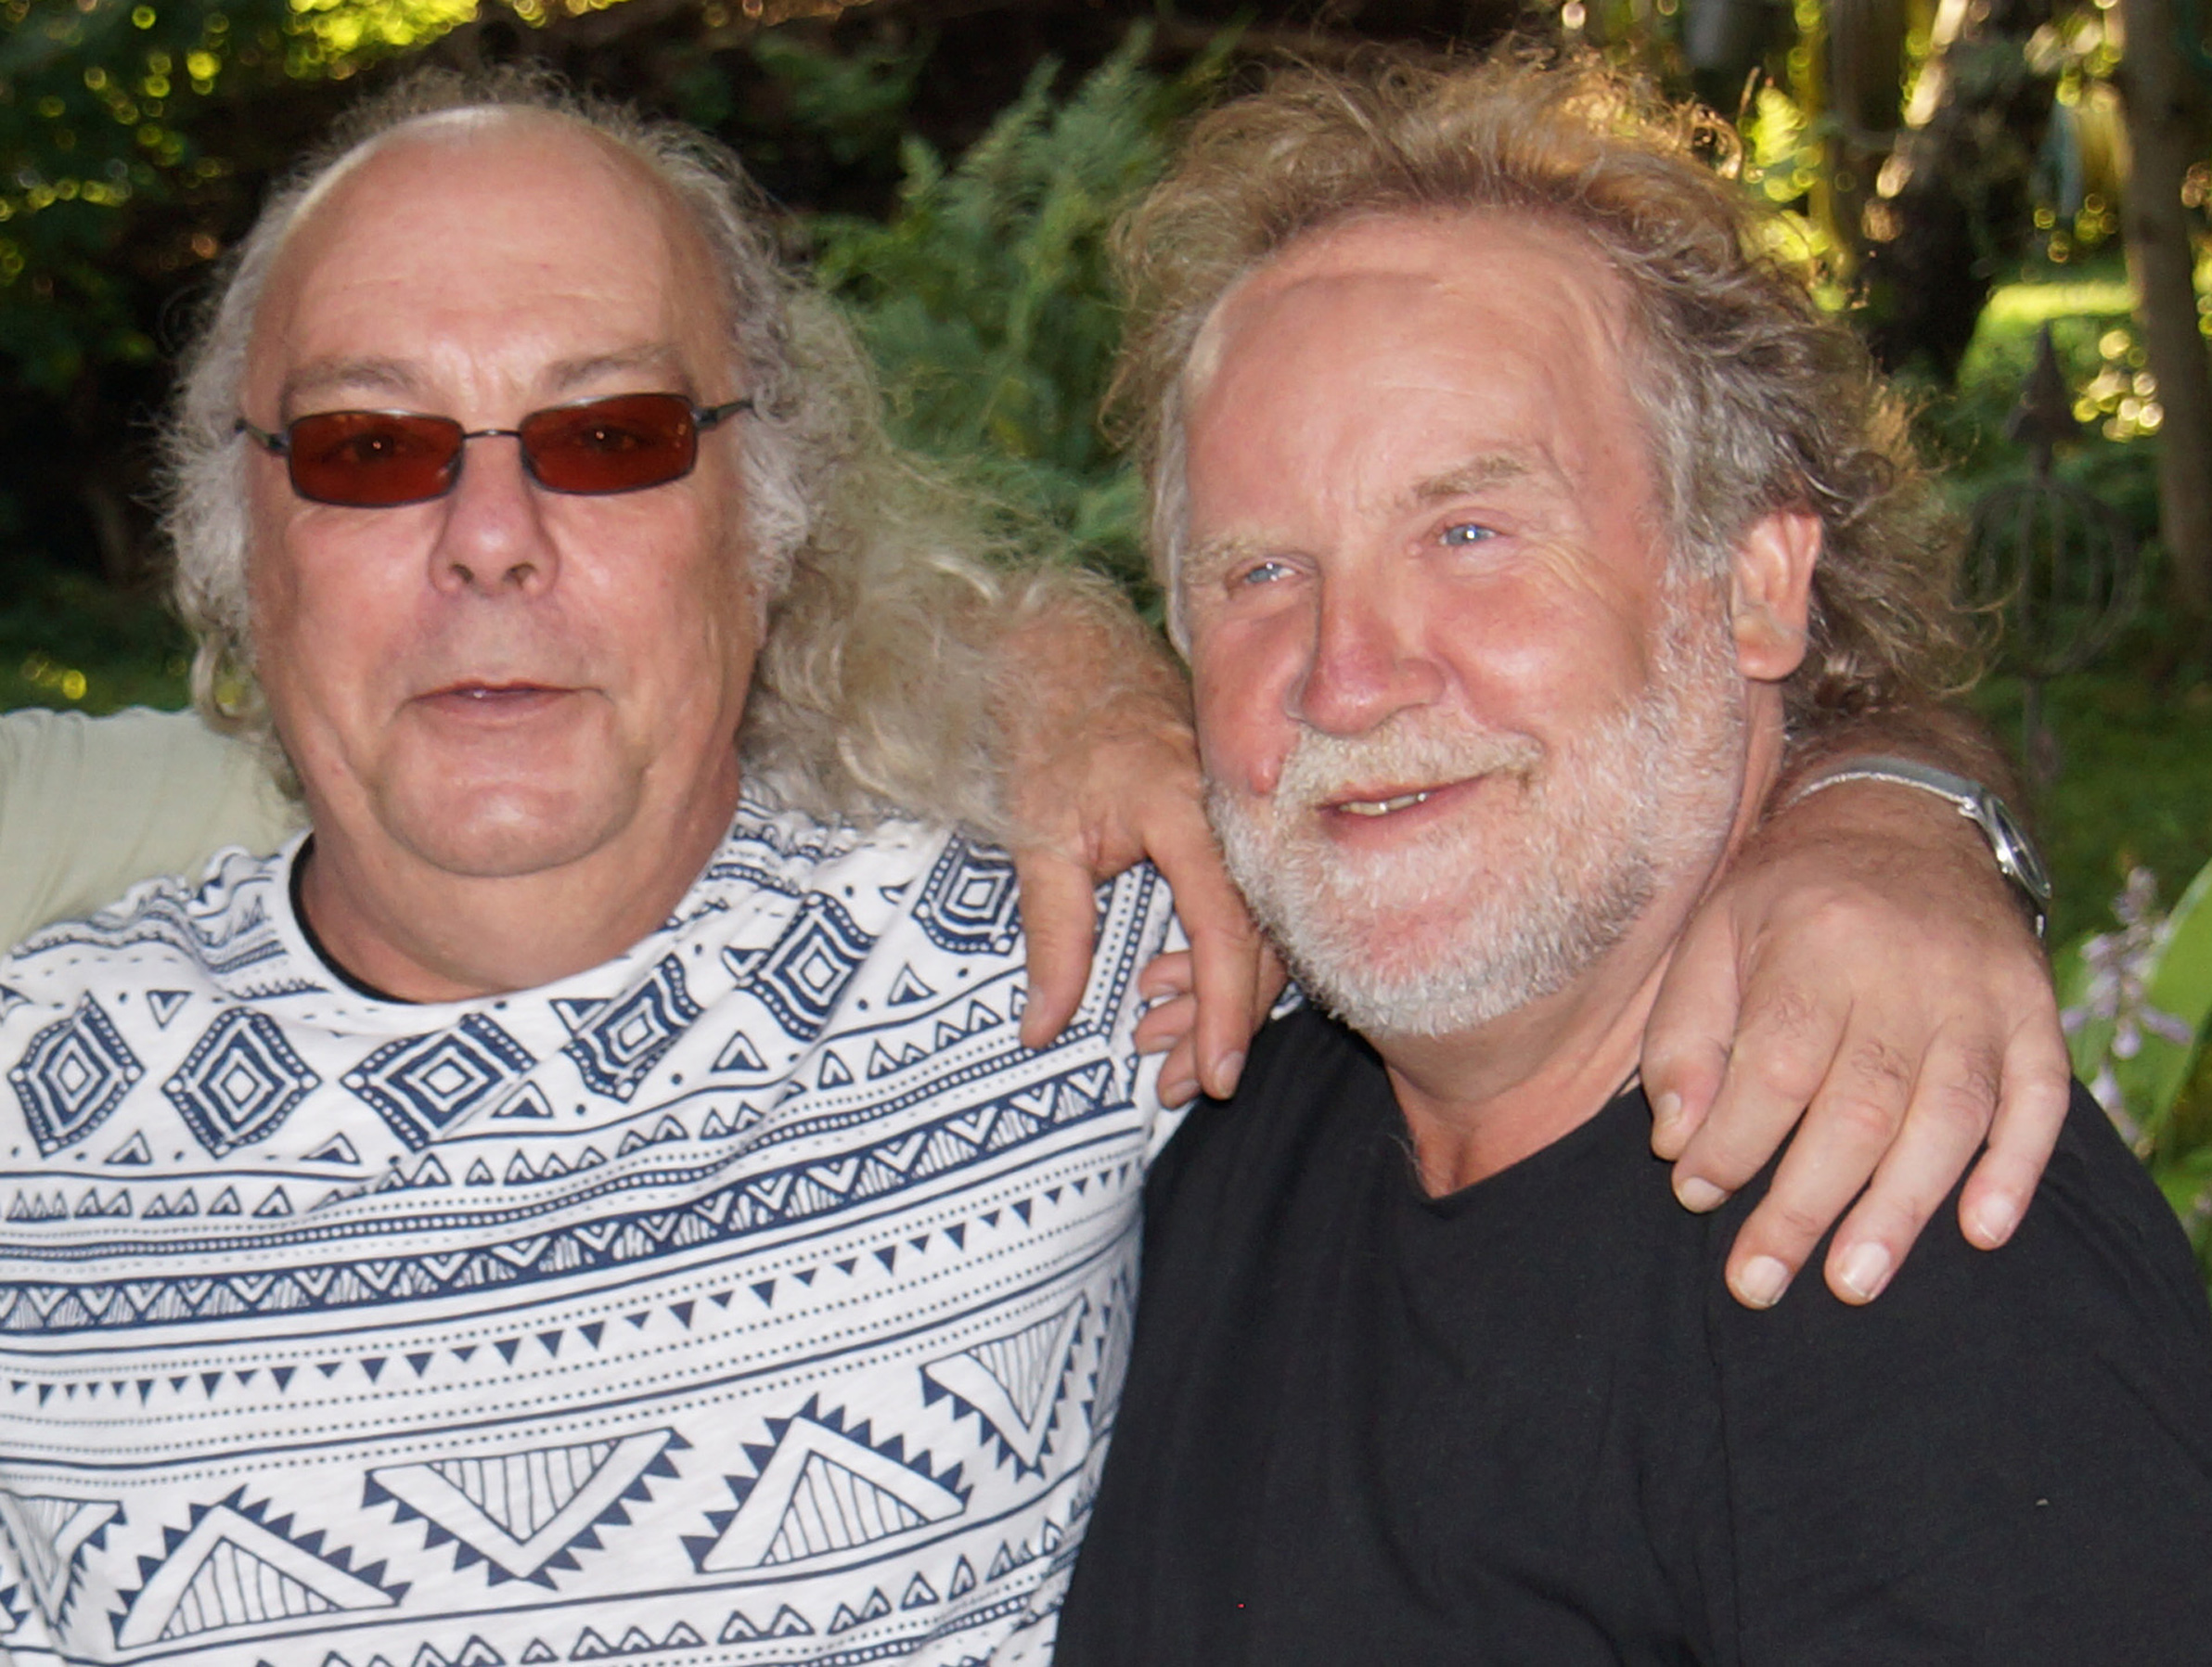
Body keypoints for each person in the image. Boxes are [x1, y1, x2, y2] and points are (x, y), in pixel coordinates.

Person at [0, 67, 2064, 1667]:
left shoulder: (1085, 970)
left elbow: (1513, 788)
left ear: (767, 522)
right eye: (368, 448)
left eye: (608, 436)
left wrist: (1887, 819)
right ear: (233, 542)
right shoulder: (27, 1118)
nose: (489, 542)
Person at [1056, 51, 2212, 1667]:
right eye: (1261, 573)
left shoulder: (1896, 1241)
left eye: (1469, 533)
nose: (1348, 676)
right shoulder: (1222, 1122)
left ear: (1755, 585)